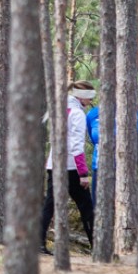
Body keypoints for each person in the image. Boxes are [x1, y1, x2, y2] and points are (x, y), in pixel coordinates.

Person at [41, 81, 97, 247]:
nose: (90, 102)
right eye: (90, 98)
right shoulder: (78, 114)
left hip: (53, 164)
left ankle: (38, 242)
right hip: (71, 167)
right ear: (82, 98)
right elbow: (76, 146)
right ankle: (98, 245)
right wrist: (83, 174)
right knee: (86, 206)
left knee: (49, 205)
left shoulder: (61, 110)